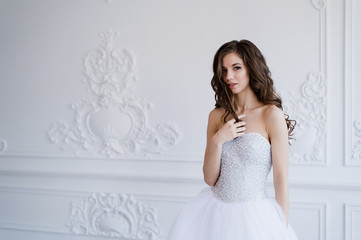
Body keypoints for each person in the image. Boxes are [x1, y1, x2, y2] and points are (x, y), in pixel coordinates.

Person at [167, 40, 299, 240]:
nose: (228, 76)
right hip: (212, 213)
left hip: (254, 218)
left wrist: (282, 227)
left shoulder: (271, 114)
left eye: (236, 68)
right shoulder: (216, 116)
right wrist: (218, 139)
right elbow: (210, 178)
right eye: (223, 70)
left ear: (252, 68)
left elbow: (280, 179)